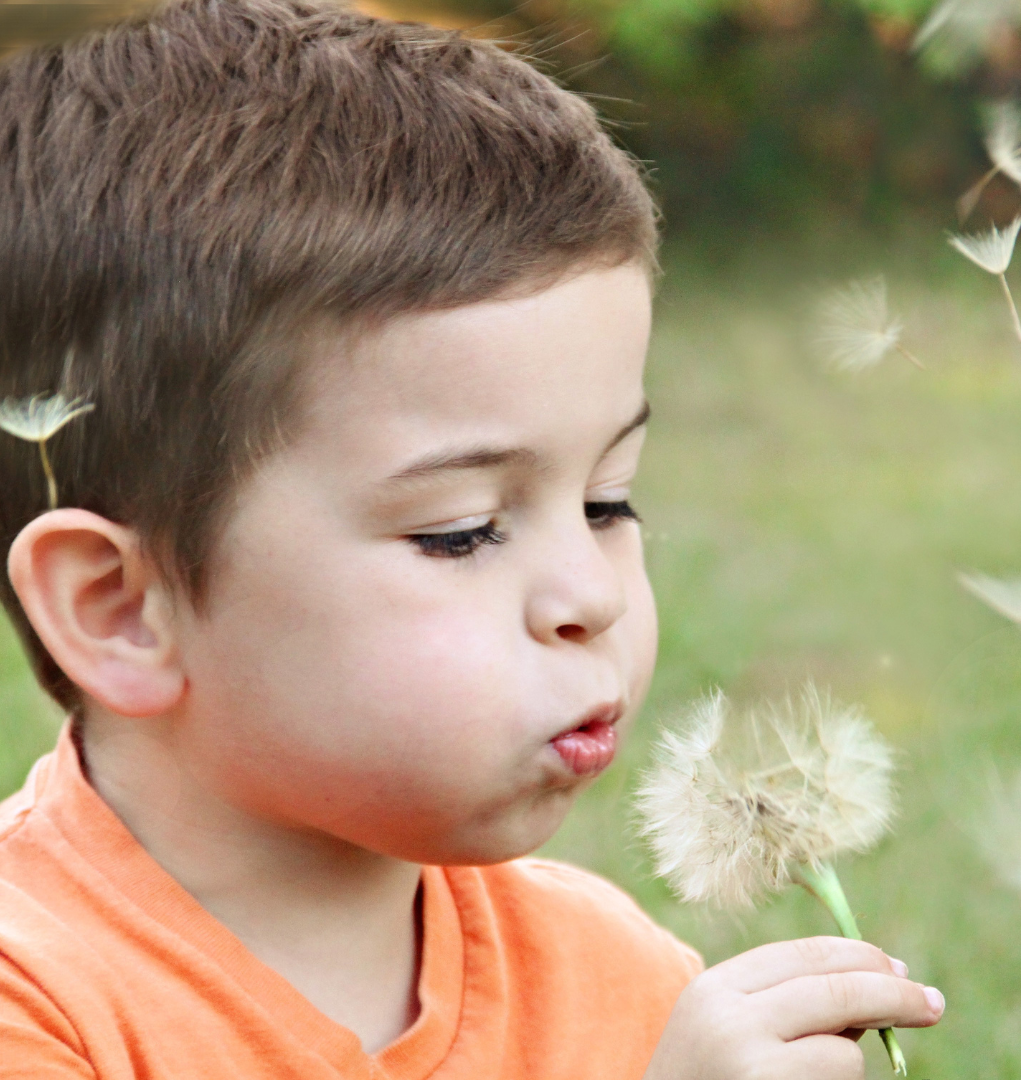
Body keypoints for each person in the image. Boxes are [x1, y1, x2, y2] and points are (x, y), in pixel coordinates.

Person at [0, 1, 944, 1075]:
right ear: (120, 608)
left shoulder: (616, 977)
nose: (591, 595)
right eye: (461, 533)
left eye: (607, 502)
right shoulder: (37, 999)